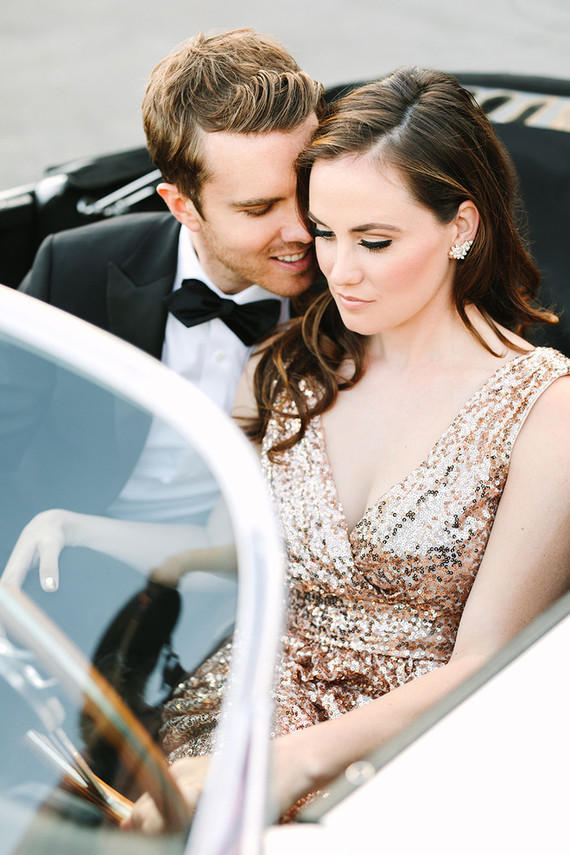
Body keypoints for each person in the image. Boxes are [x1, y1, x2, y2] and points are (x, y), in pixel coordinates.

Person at [126, 66, 570, 830]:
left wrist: (295, 759)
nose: (339, 269)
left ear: (461, 227)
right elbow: (219, 546)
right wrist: (70, 531)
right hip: (227, 719)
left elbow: (483, 666)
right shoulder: (284, 364)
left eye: (374, 240)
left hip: (400, 766)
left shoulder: (546, 409)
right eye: (324, 232)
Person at [6, 28, 323, 545]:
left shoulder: (356, 287)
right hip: (69, 552)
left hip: (258, 560)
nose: (305, 231)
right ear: (183, 206)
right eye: (258, 208)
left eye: (308, 191)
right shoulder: (73, 268)